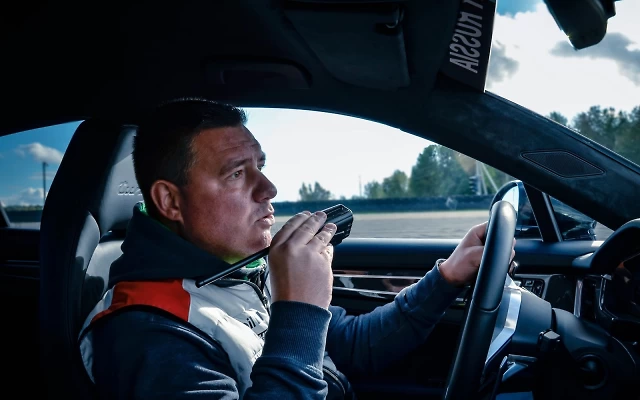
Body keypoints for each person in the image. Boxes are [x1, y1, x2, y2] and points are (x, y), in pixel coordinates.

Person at [78, 98, 514, 399]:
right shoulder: (146, 331)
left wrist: (445, 278)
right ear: (170, 201)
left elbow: (352, 347)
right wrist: (299, 311)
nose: (269, 188)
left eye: (261, 166)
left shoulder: (237, 272)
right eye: (236, 174)